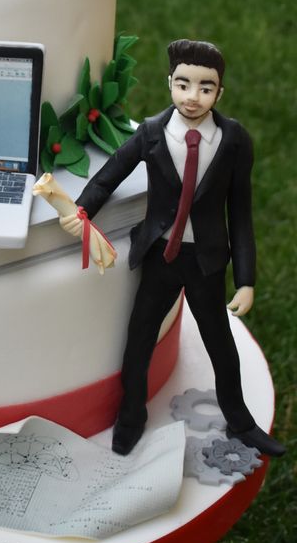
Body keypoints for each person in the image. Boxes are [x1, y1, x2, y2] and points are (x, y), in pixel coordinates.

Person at [60, 39, 285, 457]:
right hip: (160, 256)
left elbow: (241, 214)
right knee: (139, 339)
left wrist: (247, 280)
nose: (192, 97)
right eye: (183, 85)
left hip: (206, 263)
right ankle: (131, 416)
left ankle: (239, 421)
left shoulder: (234, 141)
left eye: (205, 87)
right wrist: (82, 209)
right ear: (169, 84)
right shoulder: (150, 133)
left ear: (220, 92)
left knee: (220, 344)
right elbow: (109, 176)